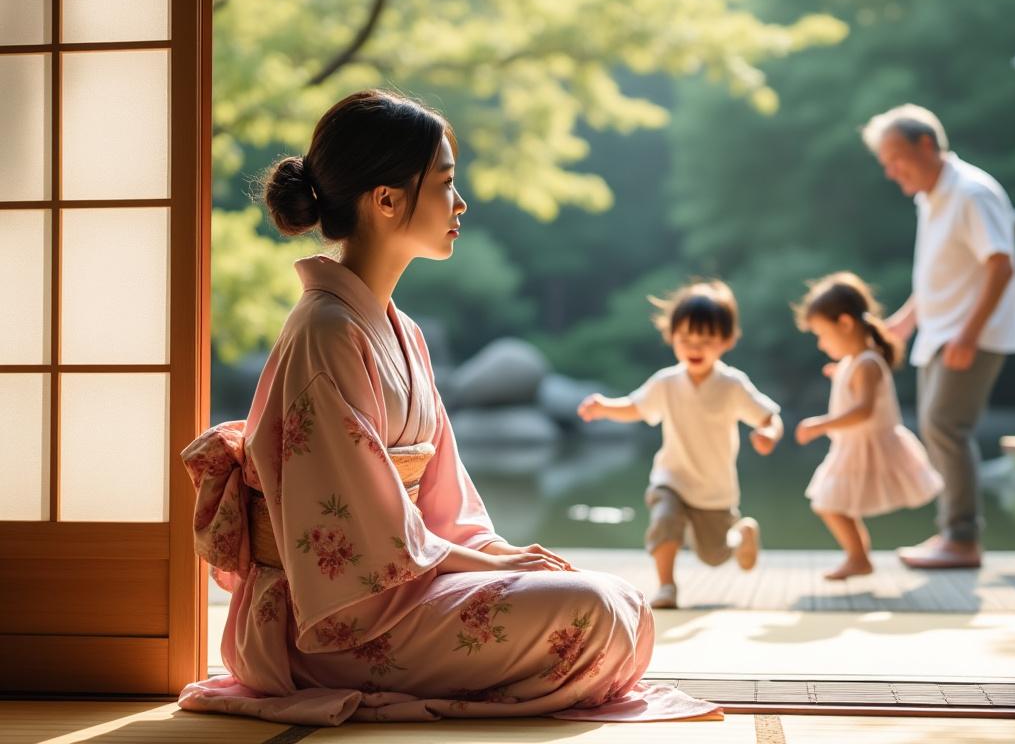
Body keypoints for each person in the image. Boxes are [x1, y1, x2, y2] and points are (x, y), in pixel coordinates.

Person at [178, 89, 716, 724]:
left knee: (621, 603)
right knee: (592, 614)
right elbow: (357, 537)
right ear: (385, 200)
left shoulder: (400, 330)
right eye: (445, 184)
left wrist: (493, 556)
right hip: (334, 622)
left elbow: (443, 502)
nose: (460, 204)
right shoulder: (326, 331)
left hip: (401, 586)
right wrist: (492, 563)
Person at [861, 104, 1015, 569]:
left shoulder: (972, 193)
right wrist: (905, 322)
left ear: (927, 145)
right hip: (942, 332)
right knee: (937, 428)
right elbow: (938, 274)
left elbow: (1000, 265)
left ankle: (962, 538)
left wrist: (969, 335)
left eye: (896, 159)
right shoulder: (929, 197)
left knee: (945, 427)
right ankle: (952, 533)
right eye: (886, 164)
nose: (891, 172)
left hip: (970, 334)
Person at [578, 280, 784, 609]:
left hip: (714, 490)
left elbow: (769, 416)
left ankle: (740, 536)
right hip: (671, 478)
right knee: (664, 520)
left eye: (706, 339)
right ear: (672, 337)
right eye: (686, 338)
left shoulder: (732, 385)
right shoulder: (667, 382)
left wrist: (768, 434)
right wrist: (605, 406)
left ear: (727, 340)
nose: (695, 347)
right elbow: (636, 406)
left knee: (714, 556)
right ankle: (667, 586)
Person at [794, 272, 944, 580]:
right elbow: (856, 392)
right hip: (852, 446)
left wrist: (821, 425)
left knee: (829, 503)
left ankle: (858, 557)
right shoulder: (855, 362)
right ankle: (858, 557)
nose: (821, 344)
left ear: (846, 324)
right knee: (832, 502)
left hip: (866, 445)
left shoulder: (867, 363)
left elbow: (863, 410)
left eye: (823, 335)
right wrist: (841, 375)